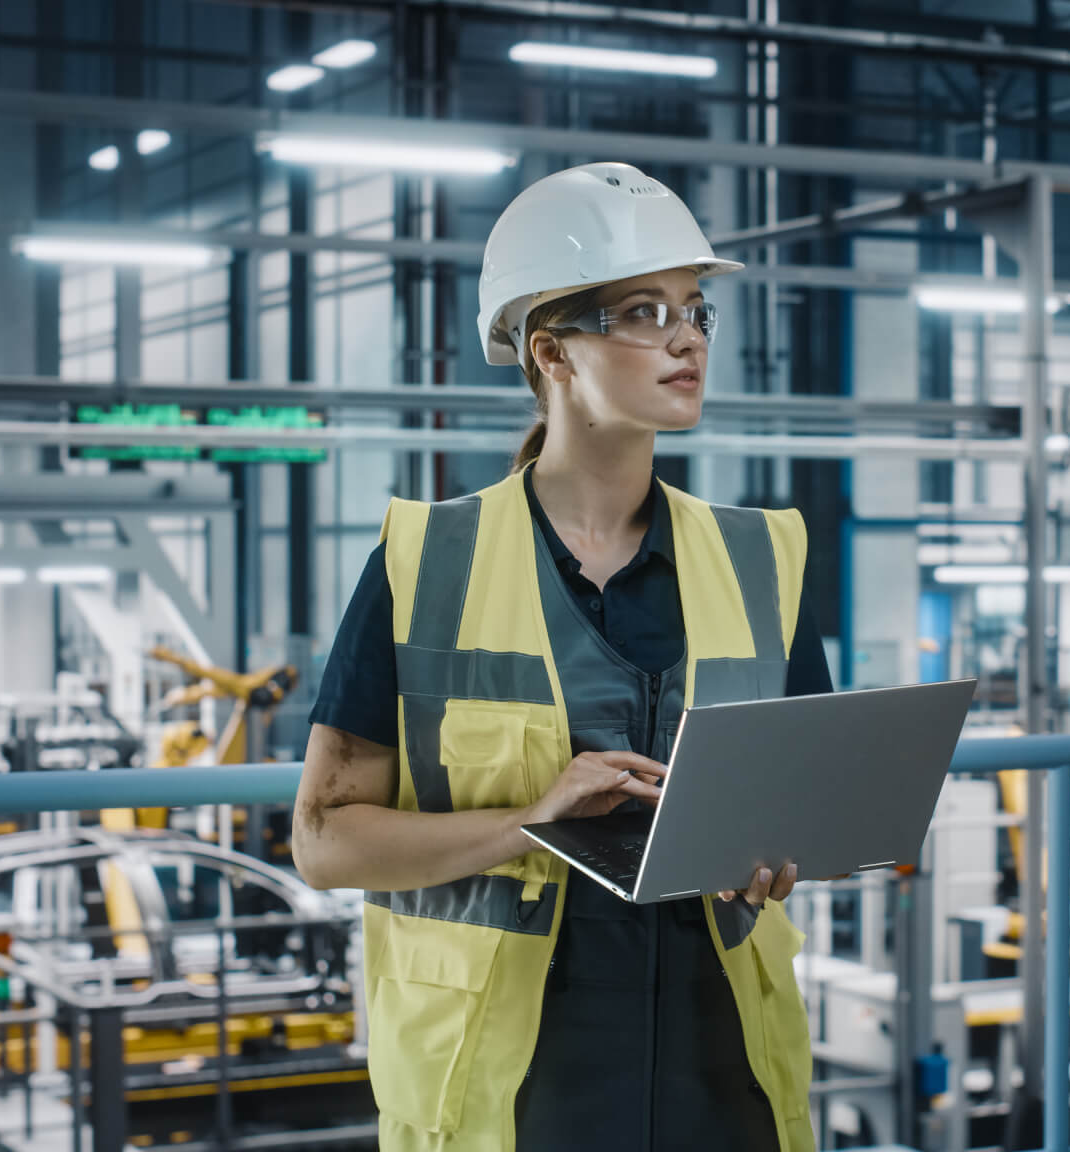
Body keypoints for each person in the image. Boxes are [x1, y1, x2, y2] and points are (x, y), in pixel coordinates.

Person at [291, 161, 830, 1152]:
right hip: (516, 1092)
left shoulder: (763, 559)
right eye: (639, 310)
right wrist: (528, 824)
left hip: (726, 1081)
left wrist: (790, 850)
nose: (683, 337)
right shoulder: (427, 563)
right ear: (551, 352)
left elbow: (795, 805)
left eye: (694, 310)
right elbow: (325, 840)